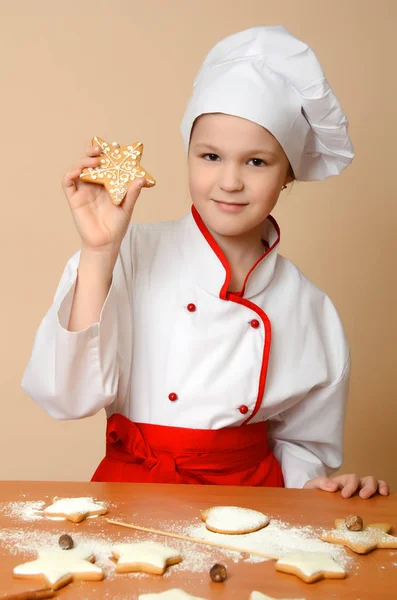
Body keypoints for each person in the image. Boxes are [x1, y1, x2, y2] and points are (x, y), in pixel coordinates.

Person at [22, 25, 389, 498]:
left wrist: (320, 487)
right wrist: (98, 252)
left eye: (256, 162)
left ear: (287, 175)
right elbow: (65, 398)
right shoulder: (127, 255)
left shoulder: (309, 306)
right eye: (211, 156)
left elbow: (301, 445)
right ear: (189, 156)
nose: (230, 181)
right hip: (134, 495)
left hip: (252, 509)